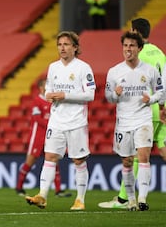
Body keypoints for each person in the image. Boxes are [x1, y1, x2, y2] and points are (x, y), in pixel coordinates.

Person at [98, 18, 166, 209]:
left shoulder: (140, 54)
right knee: (161, 148)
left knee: (137, 156)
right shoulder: (160, 53)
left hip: (143, 109)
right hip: (160, 108)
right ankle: (127, 198)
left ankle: (123, 199)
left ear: (135, 32)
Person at [25, 31, 95, 210]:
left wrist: (65, 95)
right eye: (60, 44)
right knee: (50, 157)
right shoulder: (53, 67)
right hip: (56, 120)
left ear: (75, 47)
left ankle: (80, 199)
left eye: (66, 44)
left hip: (76, 121)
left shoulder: (83, 68)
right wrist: (49, 94)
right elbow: (48, 88)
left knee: (78, 161)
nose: (62, 48)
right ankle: (42, 195)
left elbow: (90, 95)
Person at [16, 79, 72, 198]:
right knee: (29, 162)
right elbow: (36, 118)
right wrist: (52, 123)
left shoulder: (52, 101)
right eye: (46, 86)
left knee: (53, 161)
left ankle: (58, 190)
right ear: (41, 88)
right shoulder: (37, 101)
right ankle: (19, 187)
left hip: (50, 136)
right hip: (37, 136)